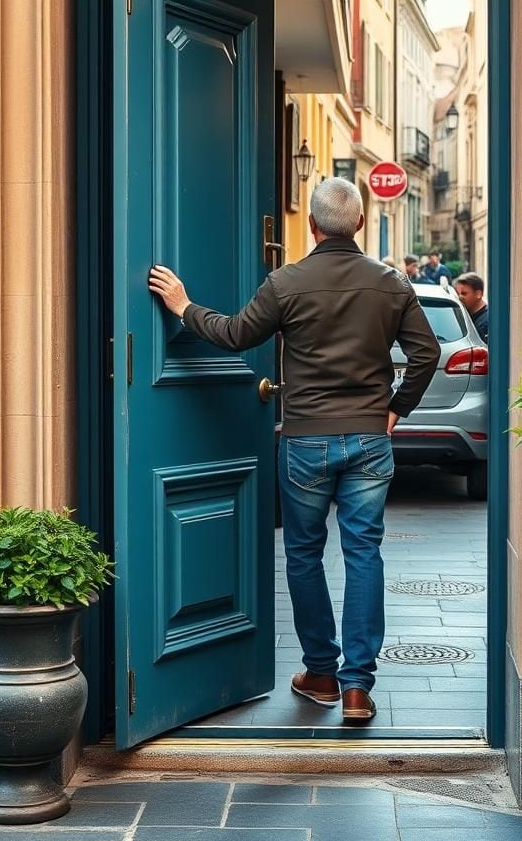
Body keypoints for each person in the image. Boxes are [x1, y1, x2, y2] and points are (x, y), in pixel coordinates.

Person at [148, 178, 440, 725]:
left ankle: (322, 675)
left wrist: (183, 305)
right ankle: (358, 689)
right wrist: (395, 410)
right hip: (370, 440)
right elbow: (426, 354)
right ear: (358, 222)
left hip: (306, 438)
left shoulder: (286, 282)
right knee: (364, 554)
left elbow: (235, 335)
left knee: (304, 554)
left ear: (311, 224)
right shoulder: (391, 283)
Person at [455, 271, 488, 343]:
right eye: (458, 293)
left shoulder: (486, 322)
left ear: (478, 294)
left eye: (464, 293)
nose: (460, 297)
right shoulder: (463, 315)